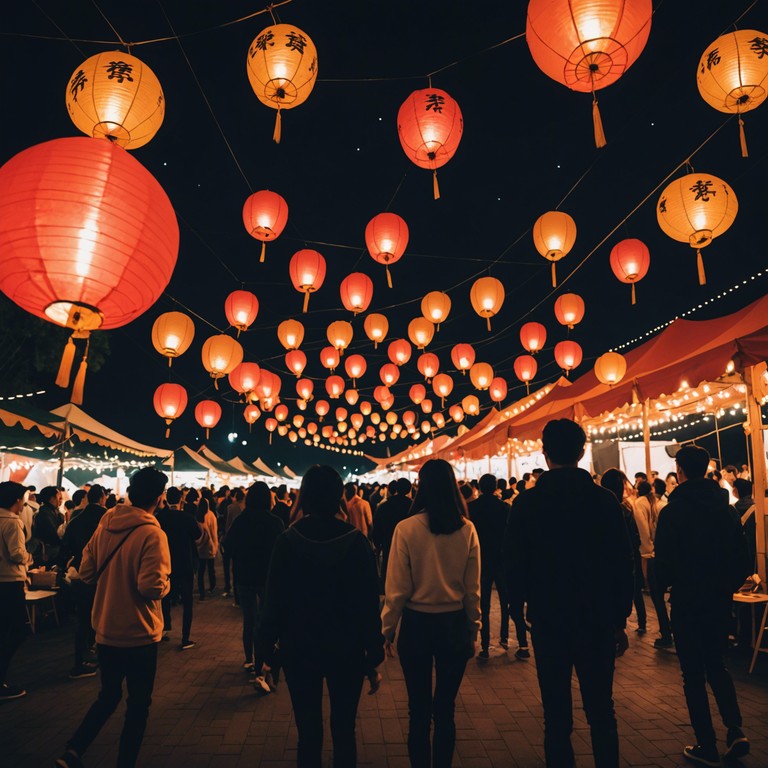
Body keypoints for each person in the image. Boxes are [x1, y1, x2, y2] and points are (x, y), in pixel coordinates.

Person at [505, 420, 633, 768]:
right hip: (598, 620)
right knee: (601, 710)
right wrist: (620, 618)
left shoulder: (527, 504)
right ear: (581, 451)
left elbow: (513, 566)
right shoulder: (605, 501)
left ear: (544, 453)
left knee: (556, 716)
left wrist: (520, 611)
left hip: (549, 619)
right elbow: (622, 564)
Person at [258, 466, 383, 767]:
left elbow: (273, 600)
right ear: (339, 496)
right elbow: (369, 603)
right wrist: (373, 653)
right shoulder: (357, 543)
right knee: (344, 731)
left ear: (305, 497)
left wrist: (266, 652)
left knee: (308, 733)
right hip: (348, 649)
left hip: (299, 649)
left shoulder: (287, 541)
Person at [56, 467, 171, 768]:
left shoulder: (107, 520)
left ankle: (73, 750)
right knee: (138, 705)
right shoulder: (152, 533)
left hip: (105, 628)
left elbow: (86, 571)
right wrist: (166, 583)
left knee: (108, 697)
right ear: (159, 497)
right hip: (139, 633)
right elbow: (151, 587)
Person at [654, 445, 751, 766]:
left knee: (692, 674)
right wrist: (726, 586)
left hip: (686, 600)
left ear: (680, 472)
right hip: (718, 600)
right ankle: (735, 729)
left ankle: (706, 743)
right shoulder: (726, 510)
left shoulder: (672, 512)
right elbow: (743, 559)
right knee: (717, 664)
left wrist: (666, 583)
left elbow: (663, 563)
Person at [382, 459, 480, 768]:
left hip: (417, 625)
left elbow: (396, 588)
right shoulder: (466, 529)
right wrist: (474, 627)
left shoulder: (407, 528)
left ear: (420, 487)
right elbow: (472, 589)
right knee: (445, 708)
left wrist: (387, 629)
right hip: (453, 624)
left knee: (418, 710)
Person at [223, 482, 284, 692]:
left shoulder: (241, 521)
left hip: (245, 577)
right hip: (268, 579)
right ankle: (265, 665)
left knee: (249, 620)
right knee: (268, 621)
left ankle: (249, 660)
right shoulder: (275, 522)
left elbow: (228, 546)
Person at [468, 473, 524, 659]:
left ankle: (484, 645)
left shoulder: (472, 508)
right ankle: (506, 637)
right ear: (495, 488)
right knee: (507, 601)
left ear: (479, 488)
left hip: (481, 560)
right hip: (502, 560)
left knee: (482, 603)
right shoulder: (504, 507)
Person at [58, 485, 107, 679]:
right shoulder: (108, 519)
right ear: (102, 498)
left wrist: (64, 566)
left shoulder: (76, 520)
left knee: (83, 619)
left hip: (79, 574)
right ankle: (99, 656)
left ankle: (80, 660)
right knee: (102, 616)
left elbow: (65, 549)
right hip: (102, 574)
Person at [601, 469, 648, 640]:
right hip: (628, 559)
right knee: (634, 591)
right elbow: (634, 538)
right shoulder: (624, 509)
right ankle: (637, 622)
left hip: (607, 569)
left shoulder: (602, 508)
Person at [157, 486, 201, 650]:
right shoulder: (186, 517)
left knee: (164, 598)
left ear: (166, 499)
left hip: (166, 563)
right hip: (185, 562)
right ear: (181, 499)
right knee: (187, 601)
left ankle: (164, 629)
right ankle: (185, 637)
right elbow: (197, 534)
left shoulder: (160, 517)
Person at [0, 481, 33, 700]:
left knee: (4, 629)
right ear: (16, 500)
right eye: (23, 499)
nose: (24, 503)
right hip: (10, 582)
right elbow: (17, 554)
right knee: (19, 630)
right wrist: (30, 558)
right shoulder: (12, 521)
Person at [370, 477, 412, 591]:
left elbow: (377, 529)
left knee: (389, 578)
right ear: (409, 490)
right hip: (410, 548)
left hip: (388, 545)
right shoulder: (412, 506)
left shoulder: (384, 506)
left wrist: (378, 543)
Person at [222, 488, 245, 600]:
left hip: (231, 540)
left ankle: (229, 589)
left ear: (235, 496)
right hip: (242, 542)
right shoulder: (245, 507)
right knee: (238, 567)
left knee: (229, 567)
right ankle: (238, 595)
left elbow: (227, 525)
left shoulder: (231, 508)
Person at [32, 485, 63, 565]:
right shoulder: (45, 514)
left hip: (50, 551)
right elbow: (53, 534)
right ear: (52, 498)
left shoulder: (52, 512)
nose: (61, 501)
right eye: (59, 498)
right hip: (48, 552)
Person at [195, 497, 218, 599]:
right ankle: (212, 587)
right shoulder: (211, 515)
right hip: (209, 545)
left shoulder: (197, 515)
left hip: (200, 547)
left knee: (201, 571)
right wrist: (215, 546)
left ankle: (201, 592)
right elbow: (214, 532)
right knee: (211, 569)